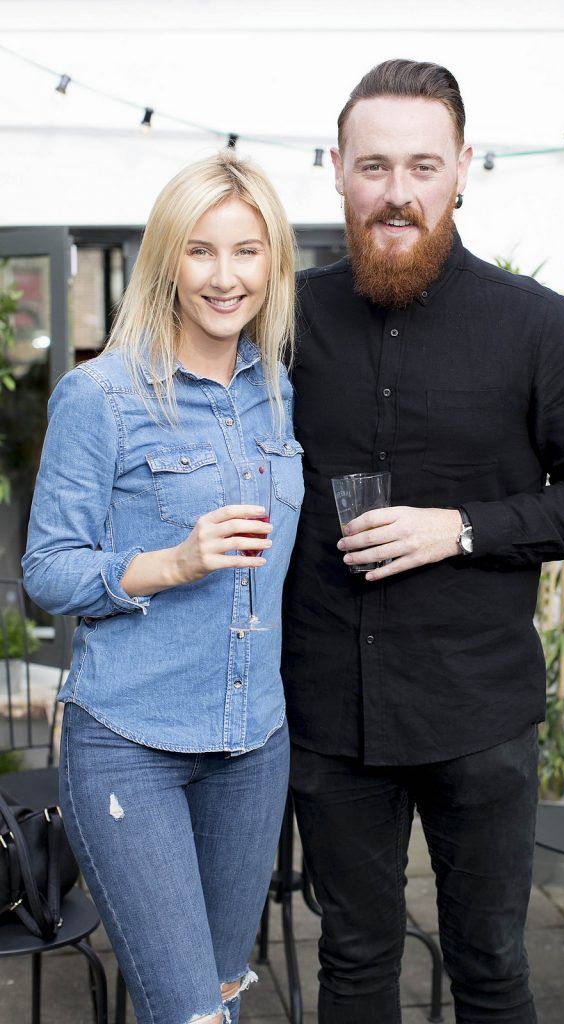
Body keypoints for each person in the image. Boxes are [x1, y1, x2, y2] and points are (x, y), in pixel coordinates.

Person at [282, 59, 564, 1023]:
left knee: (489, 963)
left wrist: (464, 527)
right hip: (327, 712)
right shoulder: (285, 319)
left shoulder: (537, 326)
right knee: (351, 961)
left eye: (422, 166)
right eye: (374, 166)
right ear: (337, 167)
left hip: (479, 715)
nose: (398, 192)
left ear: (462, 168)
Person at [22, 151, 302, 1024]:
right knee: (188, 1014)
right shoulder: (98, 395)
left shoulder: (276, 391)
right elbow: (47, 571)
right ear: (165, 261)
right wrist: (171, 562)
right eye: (201, 251)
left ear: (273, 263)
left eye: (247, 251)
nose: (226, 277)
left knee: (218, 993)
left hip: (252, 743)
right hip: (130, 743)